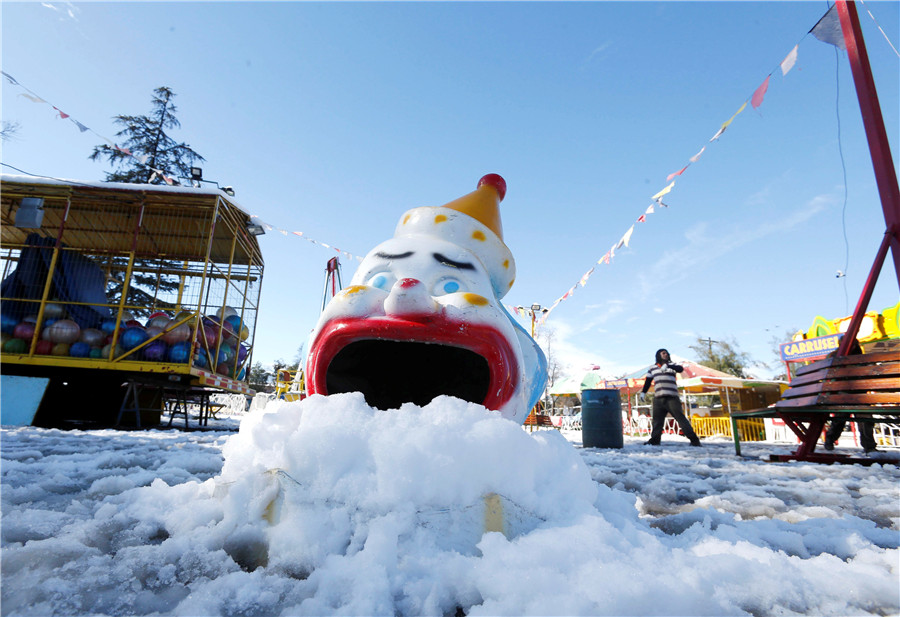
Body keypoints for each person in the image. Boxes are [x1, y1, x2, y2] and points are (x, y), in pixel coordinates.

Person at [823, 339, 878, 453]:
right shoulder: (840, 356)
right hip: (847, 394)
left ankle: (830, 439)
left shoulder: (836, 356)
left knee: (846, 417)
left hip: (849, 395)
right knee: (853, 416)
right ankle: (869, 445)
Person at [640, 349, 702, 447]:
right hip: (659, 398)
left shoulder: (673, 366)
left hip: (672, 397)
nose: (666, 355)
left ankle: (694, 440)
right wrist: (643, 392)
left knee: (680, 419)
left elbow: (680, 369)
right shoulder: (652, 368)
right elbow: (648, 381)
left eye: (667, 353)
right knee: (657, 421)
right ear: (658, 355)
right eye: (663, 353)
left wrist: (667, 365)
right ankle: (655, 440)